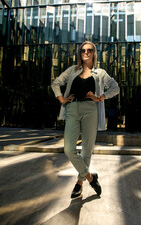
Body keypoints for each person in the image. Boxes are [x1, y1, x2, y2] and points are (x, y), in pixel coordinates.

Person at [51, 41, 120, 199]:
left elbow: (115, 87)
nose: (86, 52)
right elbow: (56, 83)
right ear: (80, 52)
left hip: (90, 110)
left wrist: (100, 97)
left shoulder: (100, 73)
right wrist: (62, 99)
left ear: (94, 53)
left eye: (89, 50)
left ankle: (79, 184)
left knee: (86, 150)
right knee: (69, 149)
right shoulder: (72, 70)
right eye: (83, 50)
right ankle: (90, 177)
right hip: (73, 109)